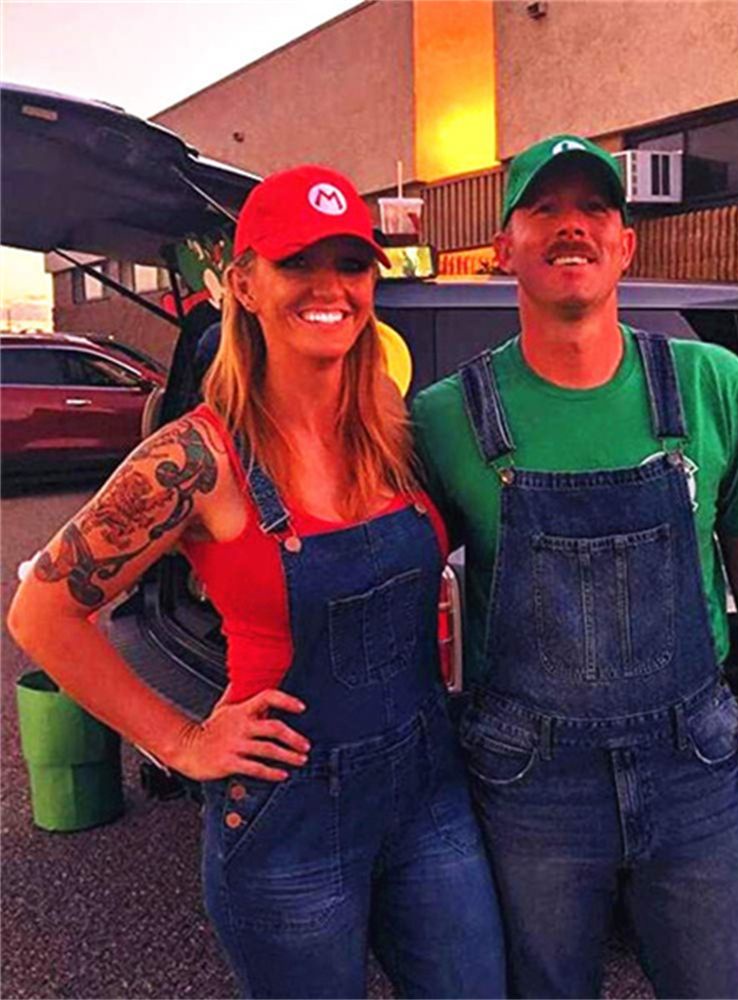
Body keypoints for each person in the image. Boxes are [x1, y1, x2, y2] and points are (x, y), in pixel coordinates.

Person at [9, 164, 506, 1000]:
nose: (329, 287)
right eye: (297, 262)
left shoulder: (396, 432)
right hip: (290, 823)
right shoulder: (195, 458)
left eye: (350, 264)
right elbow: (41, 613)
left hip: (431, 796)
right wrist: (181, 741)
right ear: (243, 284)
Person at [411, 135, 738, 999]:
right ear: (503, 248)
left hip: (694, 766)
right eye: (544, 209)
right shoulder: (447, 417)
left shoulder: (709, 382)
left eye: (595, 209)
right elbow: (384, 574)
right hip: (529, 783)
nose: (572, 227)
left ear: (625, 243)